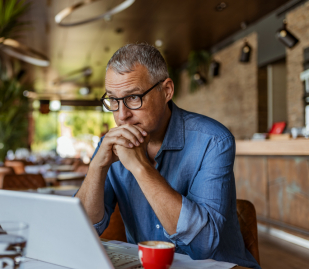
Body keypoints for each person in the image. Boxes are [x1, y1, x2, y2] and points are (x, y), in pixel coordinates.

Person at [75, 44, 260, 269]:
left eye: (133, 97)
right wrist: (96, 166)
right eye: (113, 100)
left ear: (167, 90)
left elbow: (203, 246)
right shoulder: (111, 145)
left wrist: (141, 168)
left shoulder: (213, 140)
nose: (122, 115)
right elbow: (82, 230)